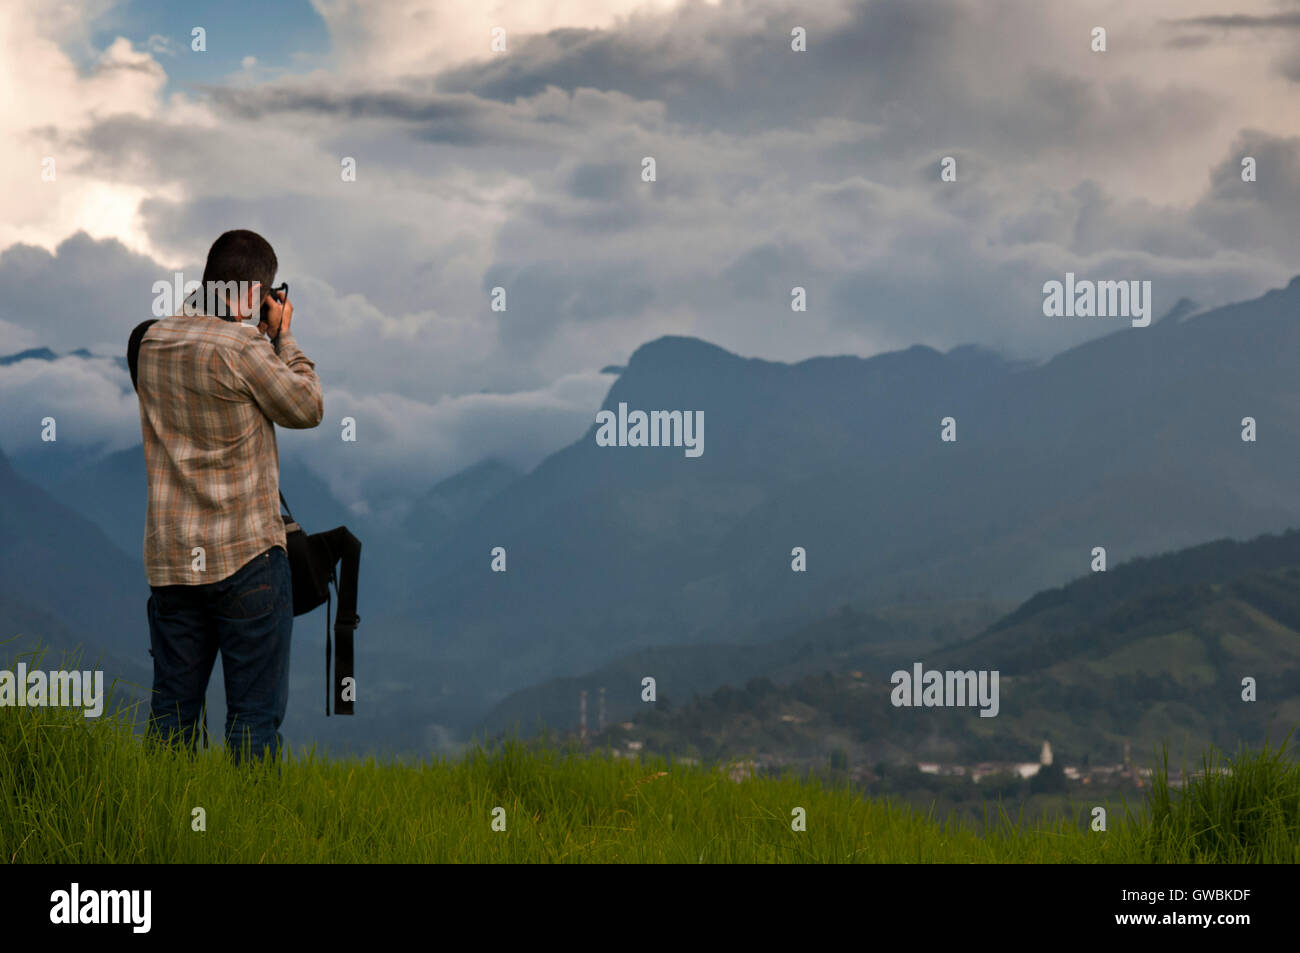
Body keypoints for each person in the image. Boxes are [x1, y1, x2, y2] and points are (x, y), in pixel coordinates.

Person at [134, 229, 324, 763]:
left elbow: (199, 349)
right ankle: (253, 839)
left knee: (171, 717)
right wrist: (282, 338)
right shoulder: (246, 349)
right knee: (252, 723)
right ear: (257, 293)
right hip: (246, 562)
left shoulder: (151, 342)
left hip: (171, 563)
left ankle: (159, 831)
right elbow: (307, 406)